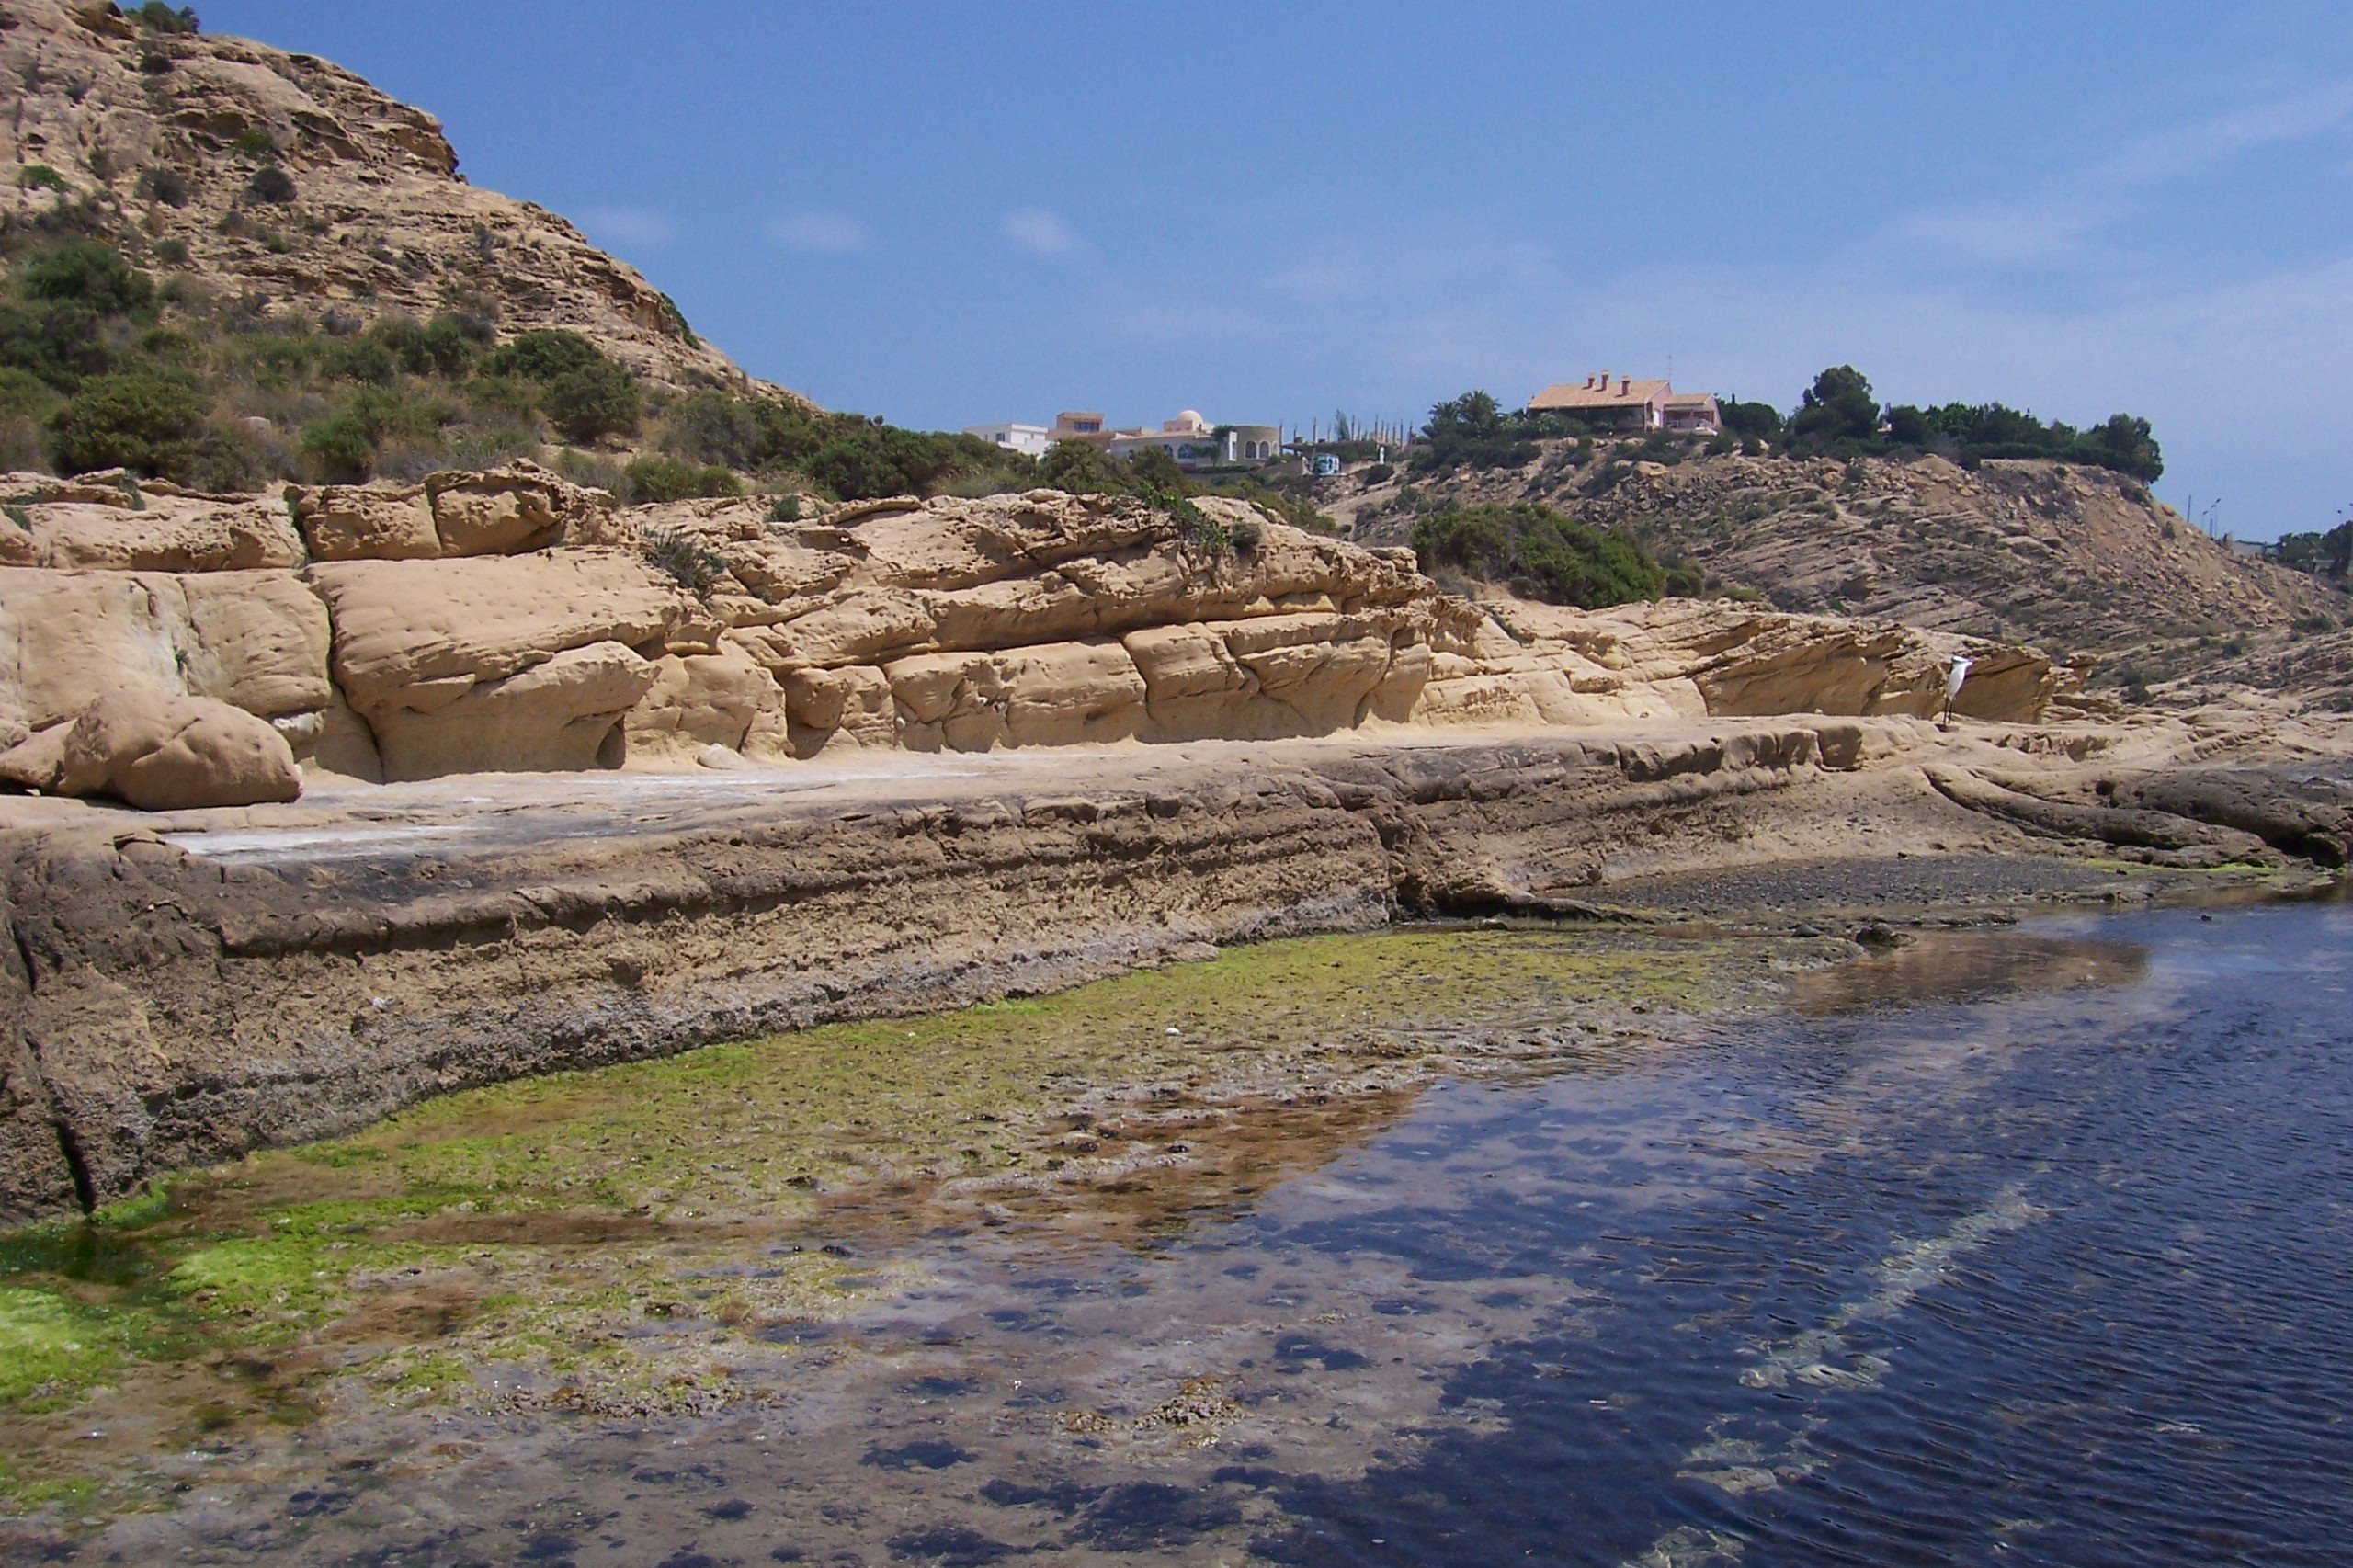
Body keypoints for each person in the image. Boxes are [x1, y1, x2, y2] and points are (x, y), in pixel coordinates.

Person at [1942, 654, 1972, 725]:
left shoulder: (1958, 670)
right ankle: (1947, 721)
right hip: (1952, 689)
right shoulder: (1959, 670)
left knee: (1949, 698)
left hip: (1952, 689)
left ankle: (1946, 721)